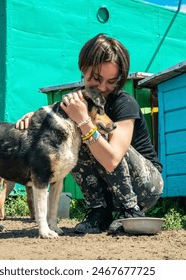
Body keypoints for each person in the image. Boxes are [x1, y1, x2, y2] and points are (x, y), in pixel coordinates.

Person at [16, 33, 163, 234]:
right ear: (83, 68)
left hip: (144, 187)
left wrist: (84, 122)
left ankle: (130, 211)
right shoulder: (76, 99)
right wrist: (32, 117)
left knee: (94, 135)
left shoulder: (124, 103)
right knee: (68, 141)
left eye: (112, 81)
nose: (103, 88)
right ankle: (99, 212)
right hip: (109, 189)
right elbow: (52, 114)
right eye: (95, 78)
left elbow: (112, 159)